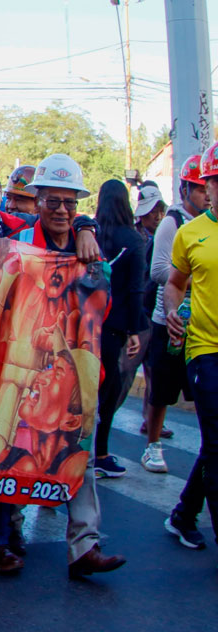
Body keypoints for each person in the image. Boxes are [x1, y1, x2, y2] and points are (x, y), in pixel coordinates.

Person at [13, 153, 128, 579]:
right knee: (17, 452)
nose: (61, 210)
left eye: (70, 203)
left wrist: (87, 233)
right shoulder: (19, 241)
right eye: (53, 201)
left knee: (81, 461)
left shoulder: (91, 249)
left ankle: (85, 546)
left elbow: (103, 304)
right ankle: (10, 535)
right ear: (37, 199)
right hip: (26, 370)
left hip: (78, 374)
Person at [164, 141, 218, 551]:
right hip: (205, 348)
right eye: (216, 182)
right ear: (207, 187)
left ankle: (183, 514)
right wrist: (171, 312)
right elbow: (175, 283)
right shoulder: (190, 233)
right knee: (217, 442)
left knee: (216, 442)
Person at [143, 155, 208, 476]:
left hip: (204, 326)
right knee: (162, 393)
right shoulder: (174, 223)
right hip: (169, 322)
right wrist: (196, 273)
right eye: (198, 187)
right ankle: (153, 447)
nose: (205, 193)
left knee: (204, 394)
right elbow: (157, 271)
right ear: (185, 189)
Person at [87, 181, 148, 476]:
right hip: (115, 327)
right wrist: (135, 330)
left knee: (82, 391)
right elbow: (136, 289)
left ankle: (72, 454)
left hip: (86, 324)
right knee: (108, 392)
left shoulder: (91, 235)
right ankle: (100, 453)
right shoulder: (133, 240)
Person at [122, 185, 165, 437]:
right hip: (141, 314)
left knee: (153, 371)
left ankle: (151, 418)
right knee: (128, 371)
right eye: (153, 212)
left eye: (160, 211)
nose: (157, 216)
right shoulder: (136, 238)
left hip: (153, 313)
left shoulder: (161, 234)